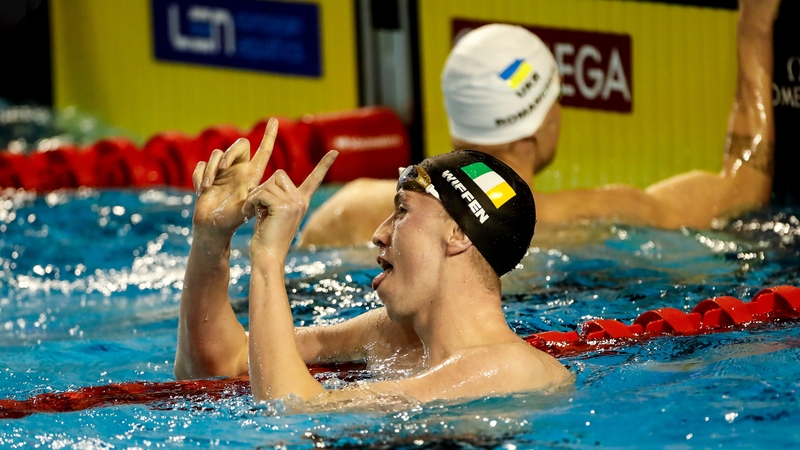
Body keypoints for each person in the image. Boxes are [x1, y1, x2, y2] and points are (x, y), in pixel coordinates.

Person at [298, 0, 779, 248]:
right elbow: (743, 186)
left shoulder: (350, 209)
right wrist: (754, 30)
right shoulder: (593, 215)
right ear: (544, 119)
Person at [174, 120, 572, 409]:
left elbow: (291, 412)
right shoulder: (390, 334)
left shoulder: (508, 369)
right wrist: (211, 240)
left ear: (458, 235)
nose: (379, 233)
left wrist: (269, 257)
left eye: (401, 211)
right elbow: (217, 364)